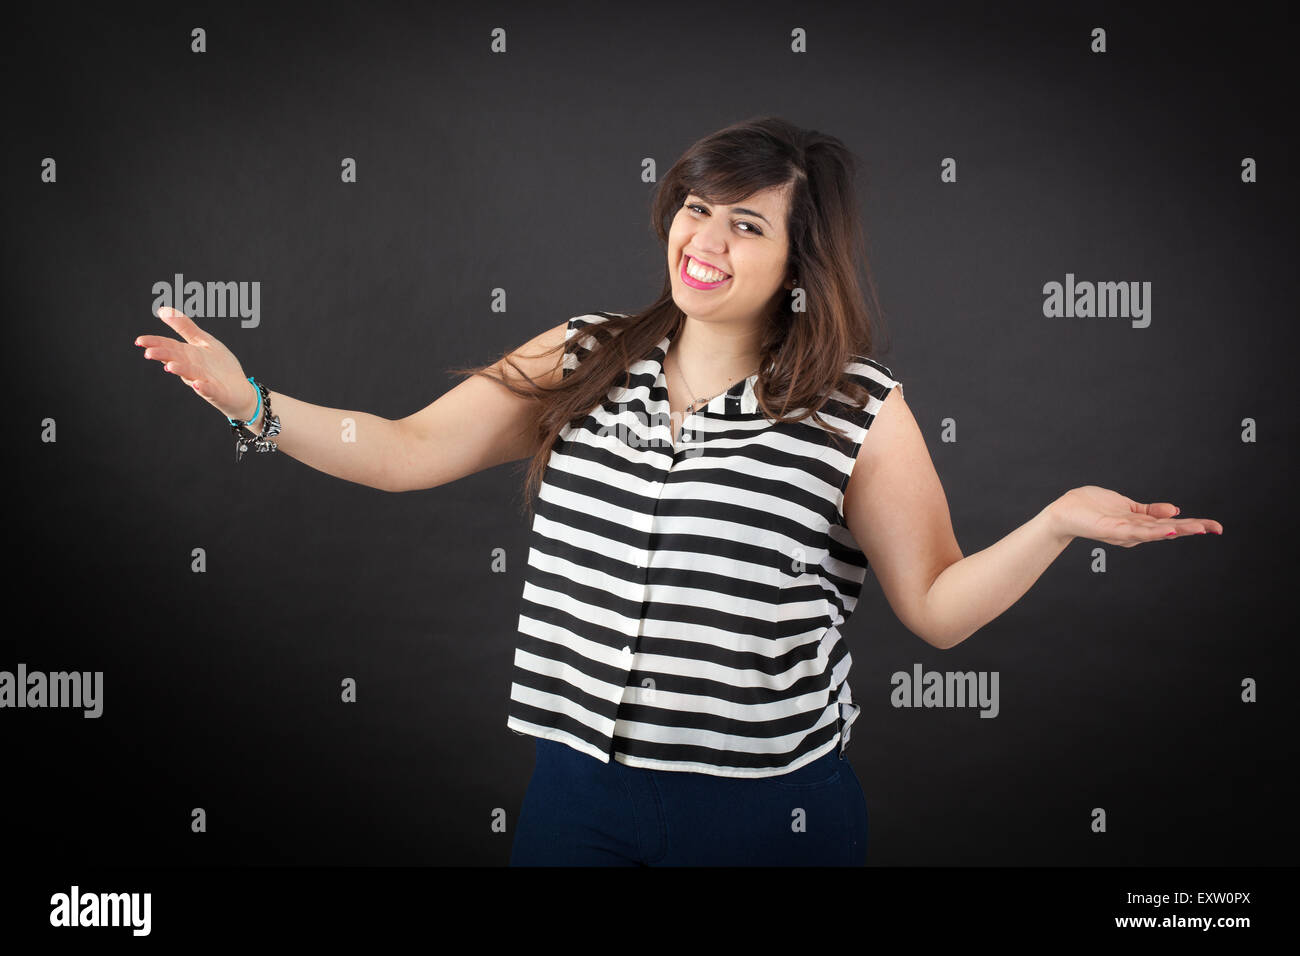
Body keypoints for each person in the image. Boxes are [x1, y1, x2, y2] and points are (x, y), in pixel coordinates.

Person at [134, 116, 1222, 866]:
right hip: (575, 796)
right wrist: (252, 403)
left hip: (767, 814)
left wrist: (1054, 523)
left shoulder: (855, 406)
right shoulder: (582, 355)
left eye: (746, 223)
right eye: (696, 208)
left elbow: (936, 607)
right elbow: (403, 449)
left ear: (799, 260)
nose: (703, 239)